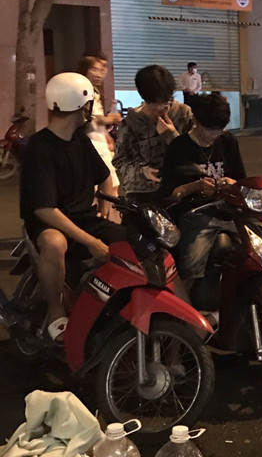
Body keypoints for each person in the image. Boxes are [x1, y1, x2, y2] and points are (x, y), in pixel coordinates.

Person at [19, 72, 125, 342]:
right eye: (89, 104)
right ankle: (56, 313)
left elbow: (105, 177)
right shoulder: (40, 147)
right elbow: (45, 209)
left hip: (84, 218)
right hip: (49, 223)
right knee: (55, 243)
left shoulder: (80, 140)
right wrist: (91, 241)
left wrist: (105, 207)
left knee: (131, 240)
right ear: (82, 107)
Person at [160, 92, 245, 295]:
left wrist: (232, 184)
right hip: (196, 213)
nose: (215, 134)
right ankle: (182, 304)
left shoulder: (228, 141)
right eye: (210, 129)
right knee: (191, 264)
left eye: (220, 129)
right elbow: (170, 194)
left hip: (229, 211)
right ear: (196, 121)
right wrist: (196, 186)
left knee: (254, 252)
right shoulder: (180, 147)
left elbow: (242, 181)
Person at [113, 65, 193, 198]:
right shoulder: (130, 123)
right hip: (141, 191)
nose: (162, 107)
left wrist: (171, 136)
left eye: (166, 101)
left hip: (179, 188)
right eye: (155, 103)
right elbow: (119, 161)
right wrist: (143, 172)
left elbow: (196, 155)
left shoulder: (183, 113)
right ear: (144, 97)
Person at [77, 52, 120, 193]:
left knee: (110, 186)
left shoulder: (94, 91)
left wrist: (107, 137)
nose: (98, 74)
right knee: (107, 187)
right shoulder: (83, 92)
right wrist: (110, 119)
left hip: (99, 143)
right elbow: (92, 118)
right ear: (85, 70)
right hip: (92, 145)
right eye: (94, 69)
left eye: (102, 70)